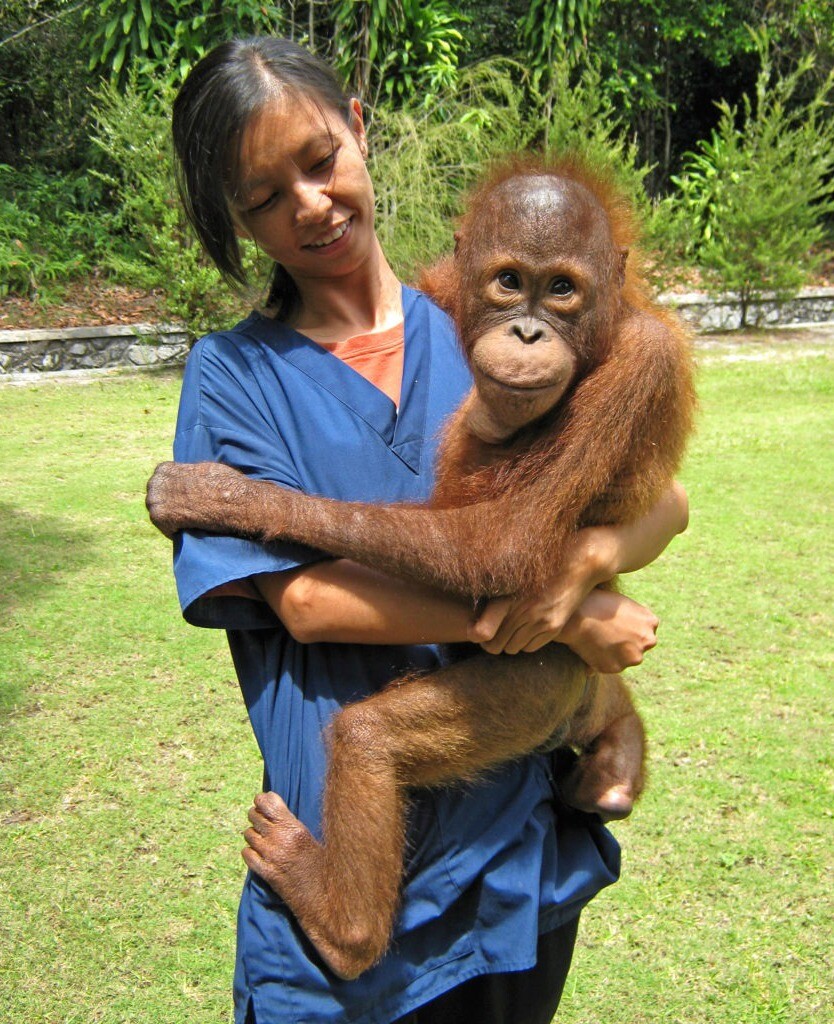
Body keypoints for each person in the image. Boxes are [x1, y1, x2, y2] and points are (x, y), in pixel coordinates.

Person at [160, 36, 688, 1024]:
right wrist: (567, 625)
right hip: (354, 890)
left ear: (359, 129)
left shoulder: (481, 312)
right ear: (235, 217)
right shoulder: (234, 376)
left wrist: (591, 573)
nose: (311, 204)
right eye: (267, 194)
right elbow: (306, 602)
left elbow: (657, 496)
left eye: (319, 161)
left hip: (510, 860)